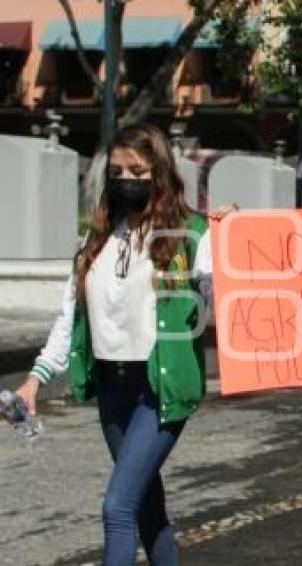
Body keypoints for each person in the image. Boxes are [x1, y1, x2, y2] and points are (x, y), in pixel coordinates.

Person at [15, 123, 225, 566]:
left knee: (118, 506)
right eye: (116, 171)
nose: (125, 179)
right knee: (146, 507)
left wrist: (228, 250)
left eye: (136, 170)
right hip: (113, 385)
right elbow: (70, 316)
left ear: (159, 173)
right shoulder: (97, 239)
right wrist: (35, 379)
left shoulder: (190, 233)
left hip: (160, 386)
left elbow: (213, 303)